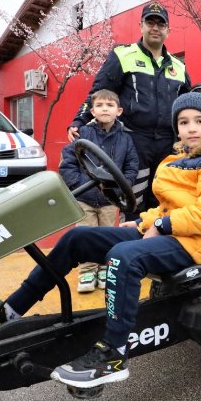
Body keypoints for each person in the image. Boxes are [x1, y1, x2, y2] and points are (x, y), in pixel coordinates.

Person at [0, 93, 201, 388]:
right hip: (167, 230)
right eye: (184, 122)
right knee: (78, 237)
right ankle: (5, 313)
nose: (191, 128)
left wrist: (160, 224)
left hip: (192, 243)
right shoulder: (180, 158)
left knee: (125, 256)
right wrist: (145, 221)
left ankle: (113, 354)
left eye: (200, 121)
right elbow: (168, 207)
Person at [67, 2, 191, 221]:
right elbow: (98, 93)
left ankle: (156, 245)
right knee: (134, 200)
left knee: (164, 197)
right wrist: (79, 120)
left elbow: (189, 103)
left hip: (168, 143)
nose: (155, 27)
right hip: (135, 140)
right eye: (150, 22)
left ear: (168, 31)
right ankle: (130, 246)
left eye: (161, 24)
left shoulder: (178, 67)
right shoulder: (123, 55)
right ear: (141, 25)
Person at [58, 89, 139, 293]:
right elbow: (68, 161)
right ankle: (87, 270)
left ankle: (104, 268)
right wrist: (77, 184)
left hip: (110, 199)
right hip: (84, 197)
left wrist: (123, 186)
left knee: (106, 235)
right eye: (100, 105)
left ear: (118, 111)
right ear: (92, 111)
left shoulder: (125, 139)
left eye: (110, 105)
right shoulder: (83, 134)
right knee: (86, 234)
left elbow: (131, 165)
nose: (105, 109)